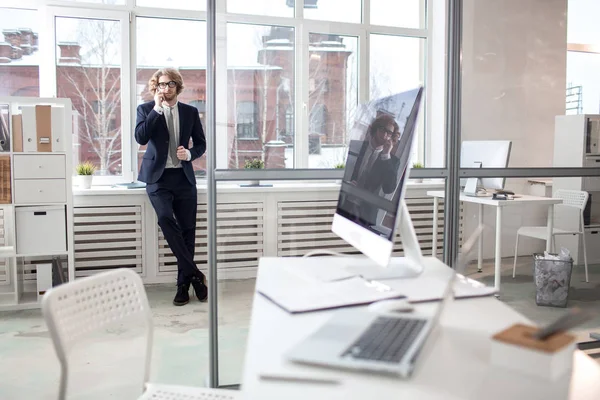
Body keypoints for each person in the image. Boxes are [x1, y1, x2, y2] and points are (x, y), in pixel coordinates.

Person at [135, 68, 208, 306]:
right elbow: (141, 138)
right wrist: (156, 109)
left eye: (169, 85)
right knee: (166, 219)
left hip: (184, 178)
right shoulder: (146, 109)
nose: (164, 89)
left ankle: (183, 285)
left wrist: (189, 154)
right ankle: (196, 274)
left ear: (177, 86)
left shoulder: (189, 112)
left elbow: (201, 144)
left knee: (188, 232)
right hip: (158, 179)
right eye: (160, 85)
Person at [341, 113, 400, 230]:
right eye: (382, 129)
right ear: (376, 128)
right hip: (346, 204)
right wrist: (346, 182)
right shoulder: (356, 147)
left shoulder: (392, 160)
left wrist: (386, 155)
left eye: (389, 133)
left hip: (367, 213)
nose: (385, 135)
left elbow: (388, 189)